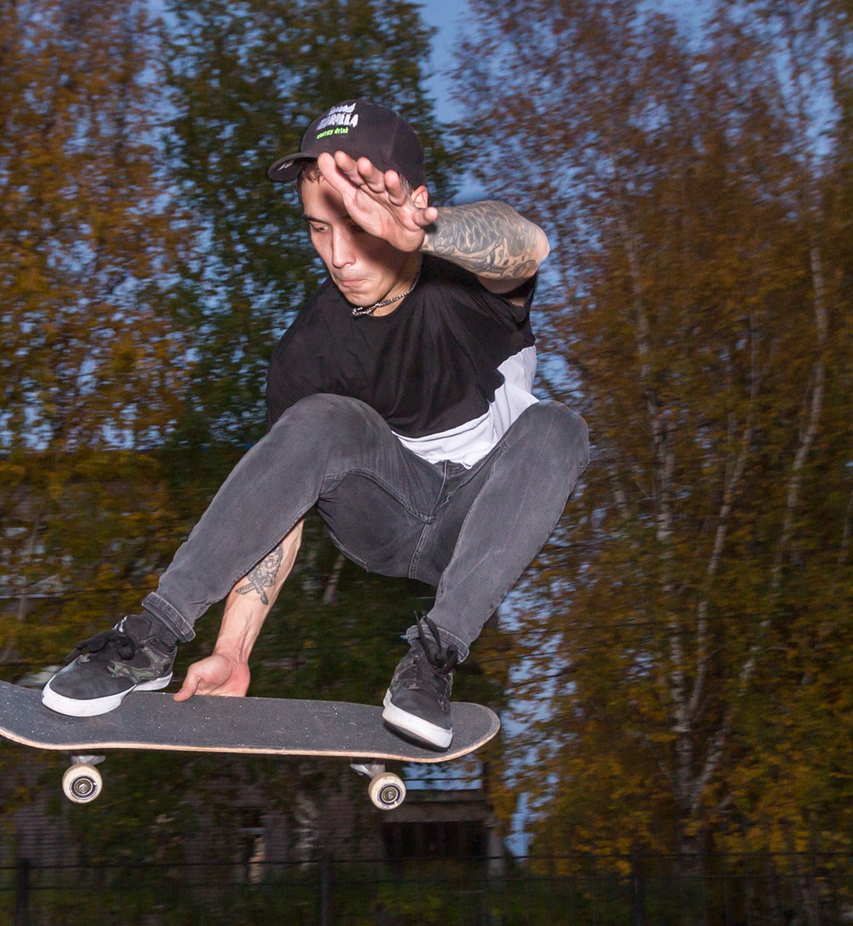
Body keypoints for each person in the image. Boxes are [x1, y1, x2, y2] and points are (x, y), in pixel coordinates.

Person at [42, 98, 587, 749]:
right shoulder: (310, 349)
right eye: (319, 230)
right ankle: (150, 640)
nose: (340, 257)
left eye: (360, 227)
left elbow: (525, 246)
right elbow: (278, 514)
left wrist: (428, 234)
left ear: (413, 203)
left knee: (559, 427)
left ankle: (432, 658)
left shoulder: (466, 281)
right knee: (322, 418)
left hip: (482, 520)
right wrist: (235, 648)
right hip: (383, 514)